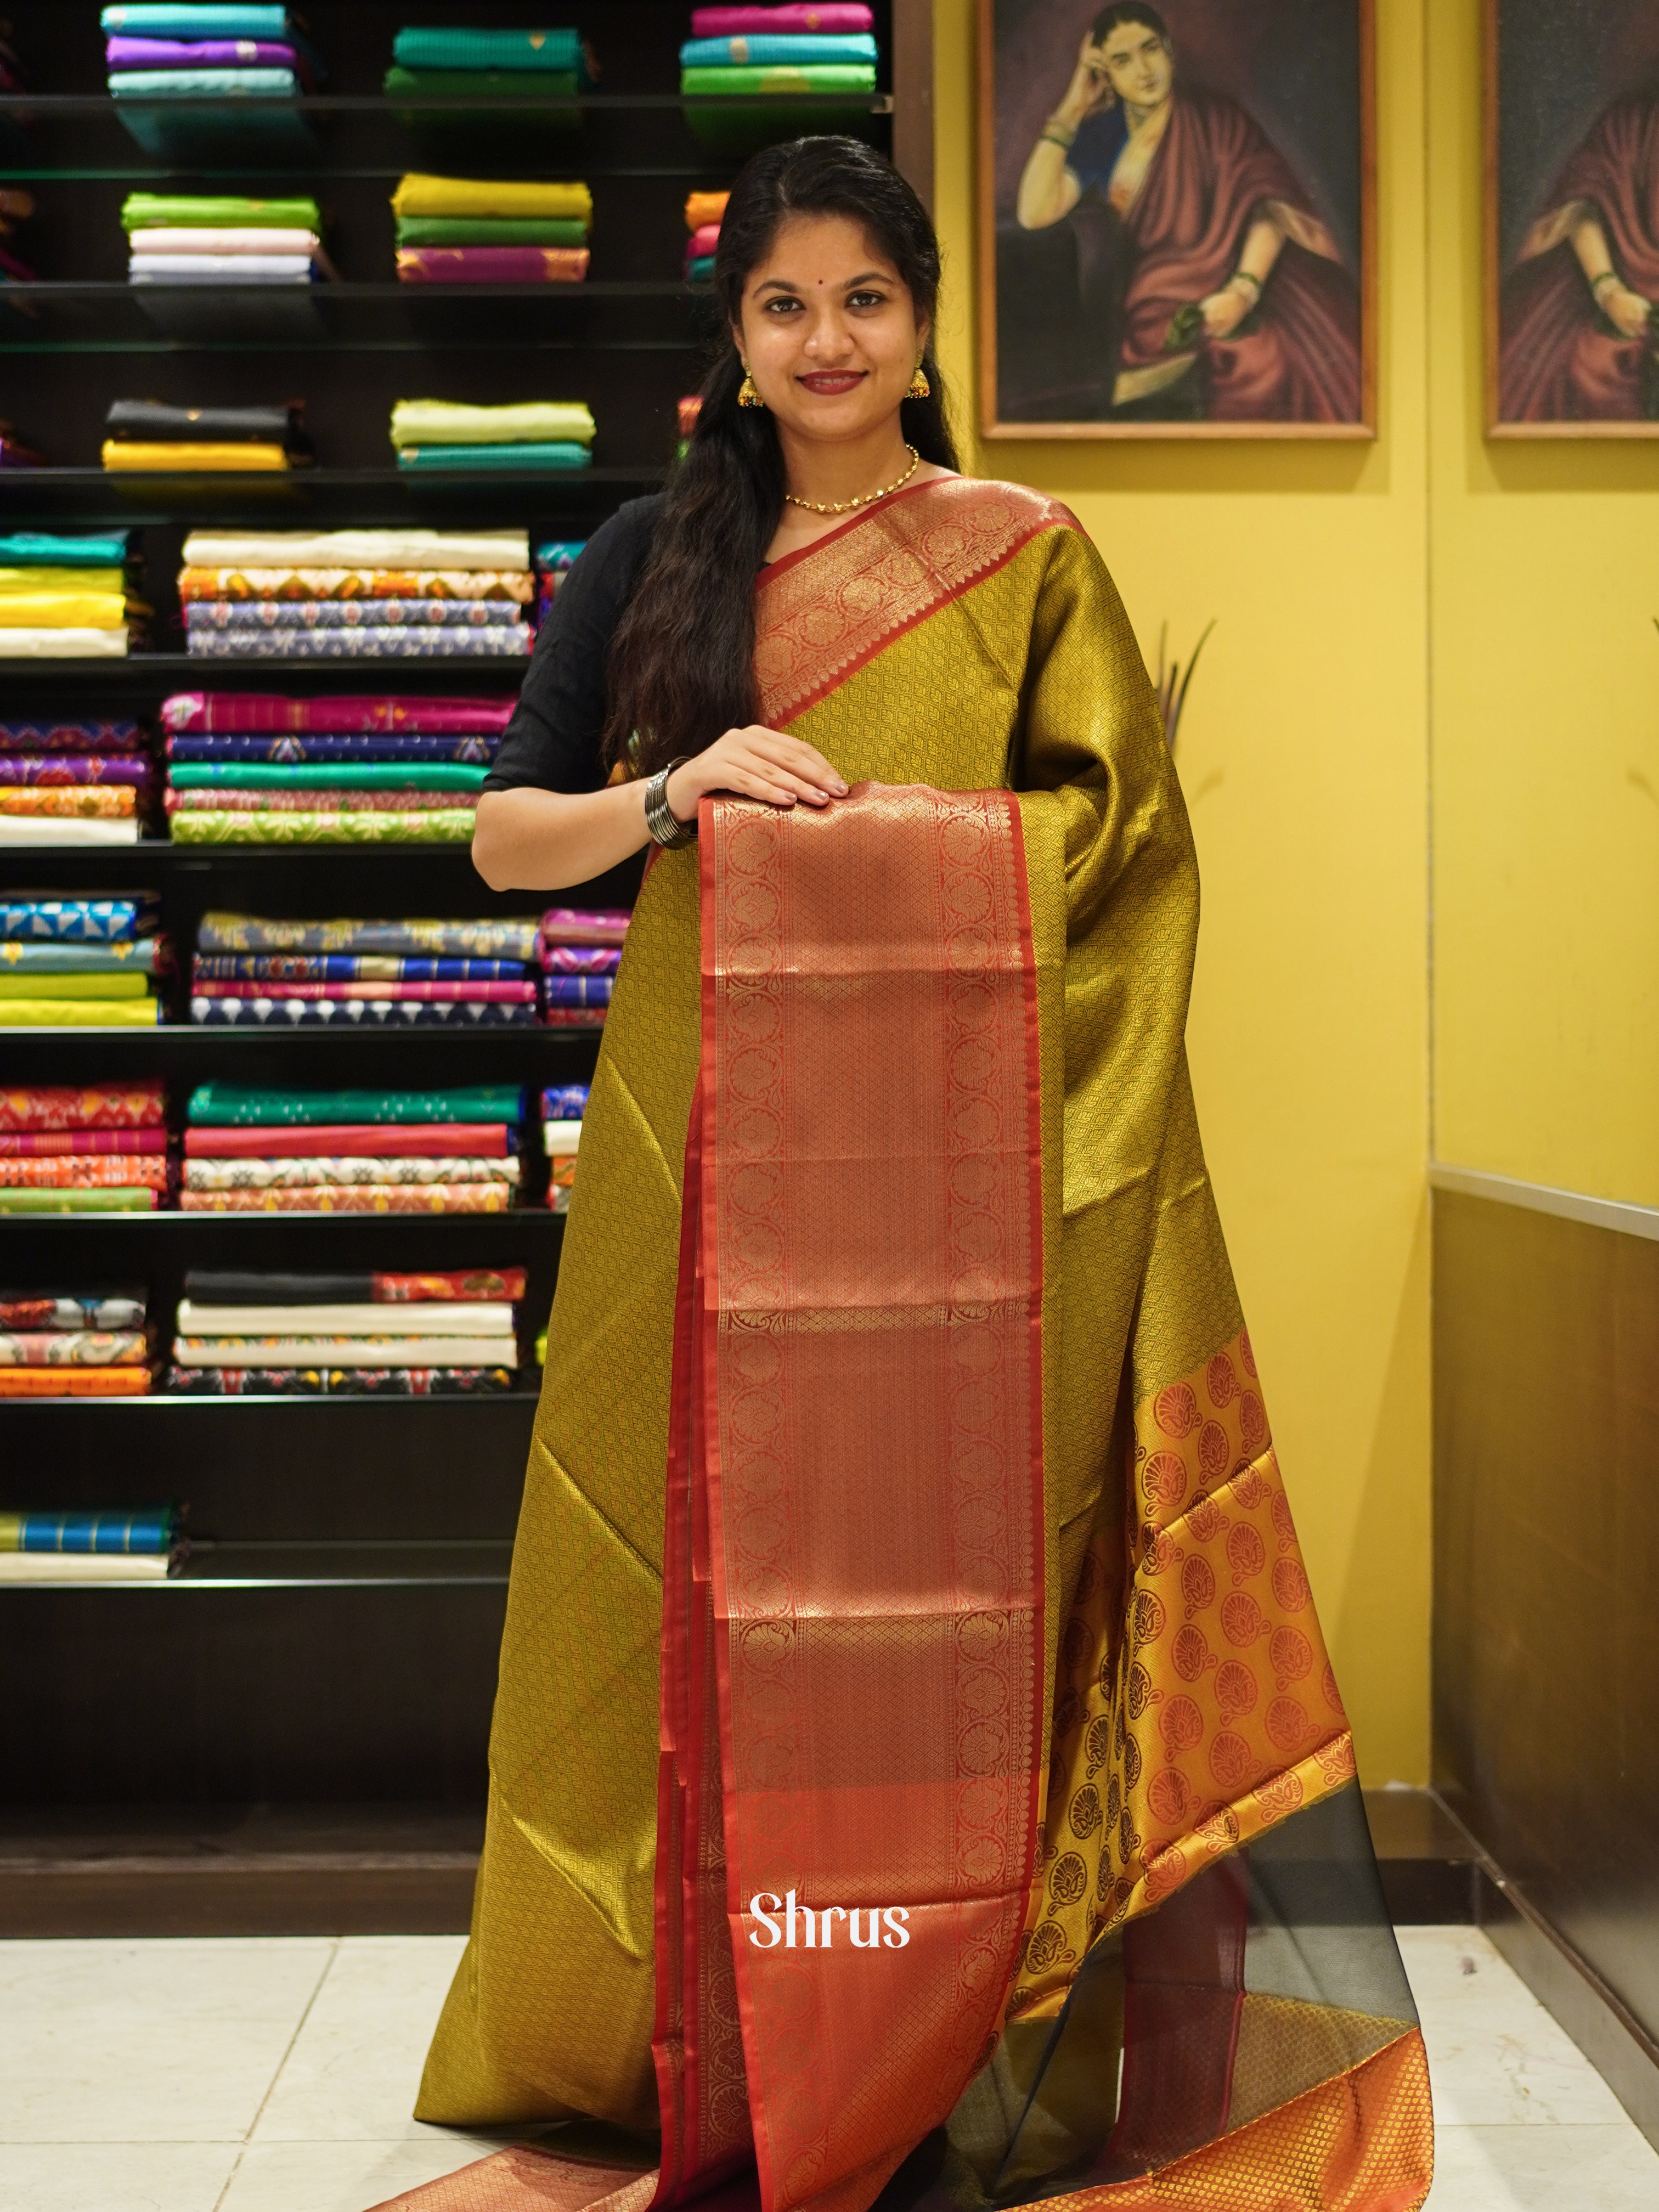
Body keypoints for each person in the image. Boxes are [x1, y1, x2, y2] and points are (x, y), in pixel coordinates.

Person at [381, 136, 1431, 2212]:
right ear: (734, 338)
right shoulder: (648, 561)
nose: (825, 339)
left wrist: (890, 849)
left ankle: (958, 2037)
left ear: (923, 317)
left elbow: (1114, 855)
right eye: (783, 305)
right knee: (704, 1598)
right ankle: (722, 2034)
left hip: (957, 1217)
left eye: (863, 298)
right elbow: (504, 841)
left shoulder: (1023, 557)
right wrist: (671, 794)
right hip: (713, 1199)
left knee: (946, 1610)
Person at [1013, 5, 1361, 421]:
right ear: (1102, 73)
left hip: (1238, 292)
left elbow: (1270, 209)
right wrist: (1073, 105)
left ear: (1170, 52)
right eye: (1122, 61)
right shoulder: (1104, 137)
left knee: (1262, 363)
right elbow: (1034, 213)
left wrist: (1241, 292)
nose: (1143, 69)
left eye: (1150, 50)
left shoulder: (1219, 121)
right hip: (1150, 310)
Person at [1499, 92, 1659, 422]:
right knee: (1590, 369)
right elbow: (1581, 207)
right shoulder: (1631, 124)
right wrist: (1609, 290)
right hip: (1623, 308)